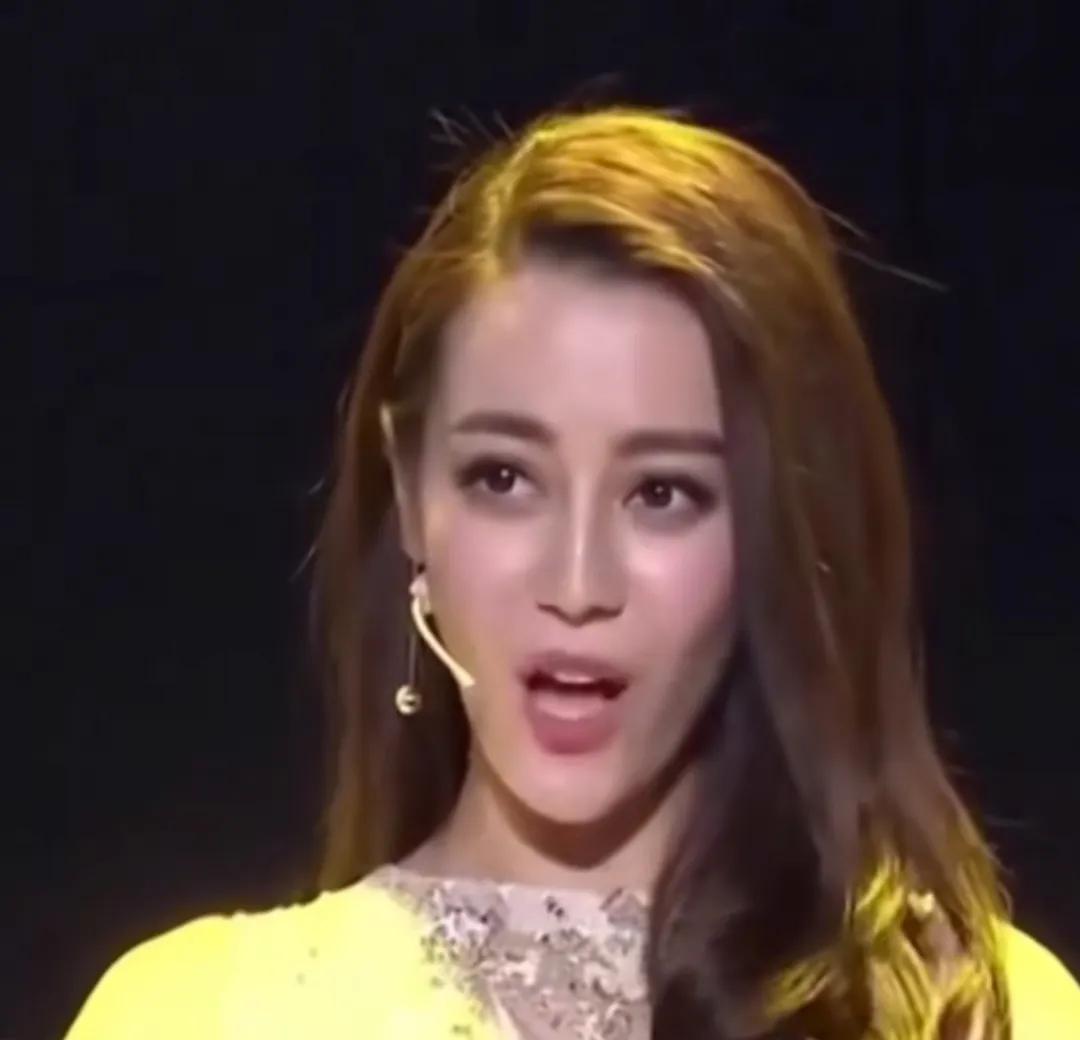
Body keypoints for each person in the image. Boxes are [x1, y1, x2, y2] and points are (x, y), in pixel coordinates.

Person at [63, 104, 1080, 1039]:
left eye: (663, 492)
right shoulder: (195, 1014)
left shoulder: (988, 1012)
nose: (579, 582)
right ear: (410, 491)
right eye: (504, 478)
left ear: (775, 528)